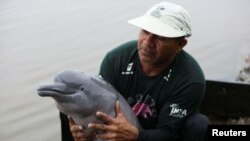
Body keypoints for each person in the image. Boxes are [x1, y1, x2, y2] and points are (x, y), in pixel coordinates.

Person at [60, 1, 210, 141]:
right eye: (145, 31)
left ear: (180, 44)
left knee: (198, 124)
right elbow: (98, 108)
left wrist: (138, 135)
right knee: (69, 107)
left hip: (157, 132)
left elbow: (169, 132)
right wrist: (81, 129)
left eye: (160, 37)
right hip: (119, 124)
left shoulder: (191, 80)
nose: (147, 42)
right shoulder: (116, 59)